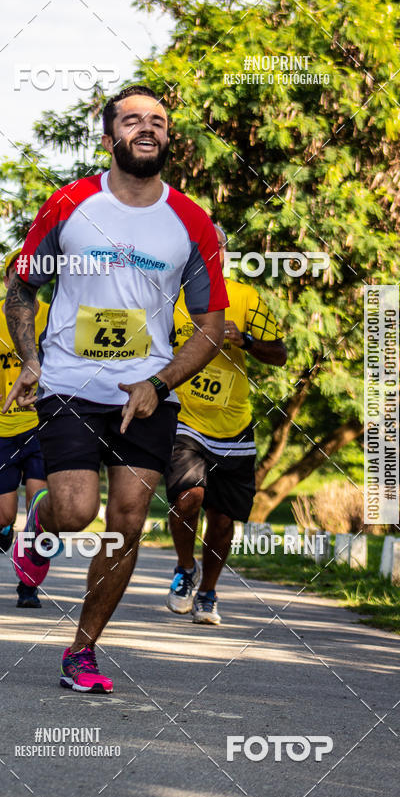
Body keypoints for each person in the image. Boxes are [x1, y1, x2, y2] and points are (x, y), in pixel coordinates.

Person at [3, 84, 228, 692]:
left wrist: (159, 381)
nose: (146, 126)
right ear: (110, 139)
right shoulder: (70, 204)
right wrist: (30, 358)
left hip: (147, 391)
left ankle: (82, 652)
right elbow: (22, 283)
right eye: (132, 119)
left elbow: (210, 325)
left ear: (167, 137)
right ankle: (40, 526)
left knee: (127, 522)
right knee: (75, 512)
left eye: (157, 119)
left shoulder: (192, 222)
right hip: (72, 380)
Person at [165, 225, 287, 623]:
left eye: (213, 245)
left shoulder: (245, 297)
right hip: (184, 417)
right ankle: (185, 568)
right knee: (189, 497)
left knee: (221, 519)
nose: (206, 252)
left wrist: (246, 340)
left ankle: (208, 592)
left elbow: (280, 354)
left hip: (234, 422)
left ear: (224, 251)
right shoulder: (169, 295)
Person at [0, 250, 48, 593]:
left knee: (40, 510)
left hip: (42, 425)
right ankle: (3, 529)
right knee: (3, 516)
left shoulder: (56, 315)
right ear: (6, 280)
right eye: (15, 274)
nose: (21, 280)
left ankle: (29, 583)